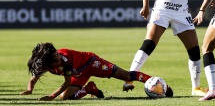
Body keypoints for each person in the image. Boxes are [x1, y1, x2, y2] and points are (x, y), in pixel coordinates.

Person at [21, 42, 173, 101]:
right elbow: (33, 78)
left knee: (126, 76)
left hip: (92, 63)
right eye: (54, 58)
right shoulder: (43, 64)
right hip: (79, 73)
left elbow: (67, 82)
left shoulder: (65, 59)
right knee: (65, 98)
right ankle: (89, 89)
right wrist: (29, 90)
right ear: (47, 63)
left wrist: (51, 96)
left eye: (57, 54)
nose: (58, 58)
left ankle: (160, 85)